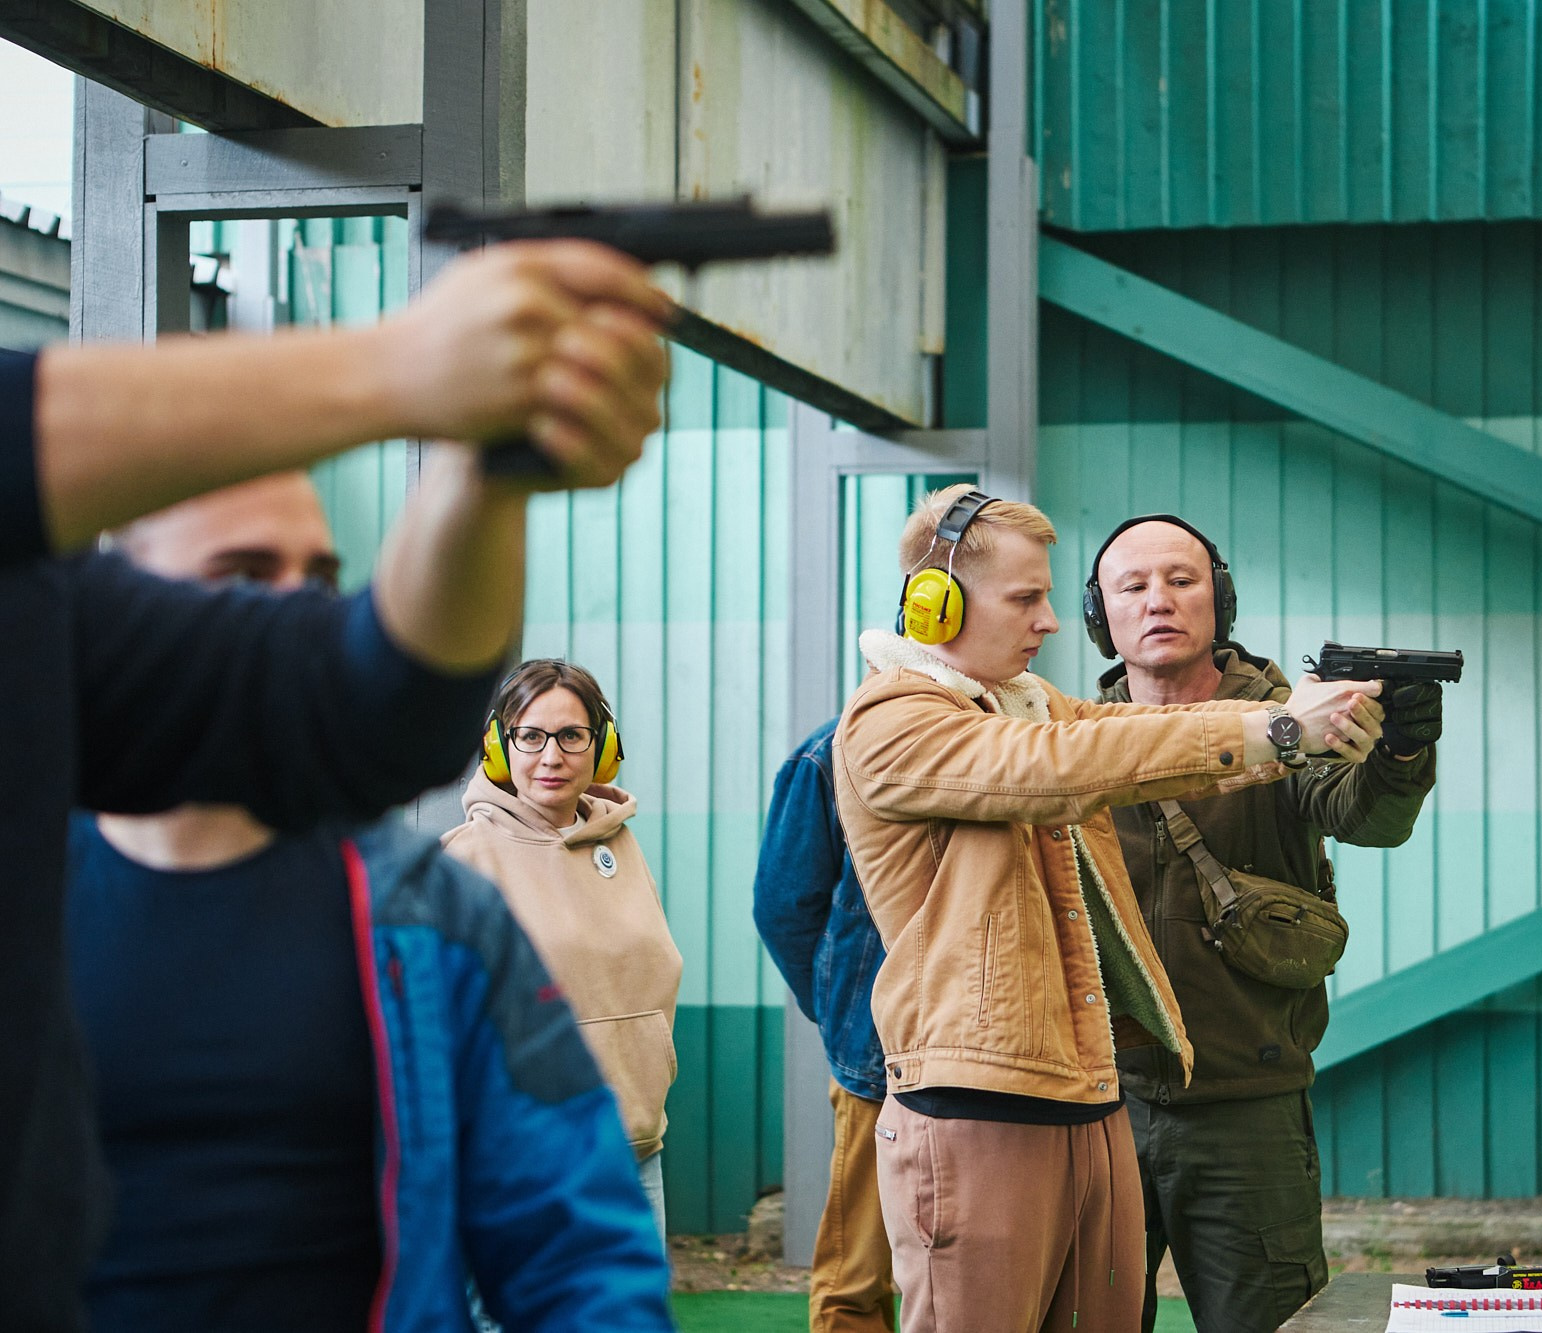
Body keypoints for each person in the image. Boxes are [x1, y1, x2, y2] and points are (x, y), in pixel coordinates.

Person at [0, 238, 670, 1332]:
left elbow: (575, 1254)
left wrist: (479, 456)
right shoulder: (43, 872)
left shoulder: (425, 914)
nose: (288, 618)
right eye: (236, 581)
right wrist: (405, 366)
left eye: (318, 579)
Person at [832, 484, 1384, 1333]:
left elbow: (1139, 738)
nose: (1050, 620)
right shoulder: (894, 720)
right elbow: (1063, 762)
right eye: (1025, 598)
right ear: (936, 606)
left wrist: (1315, 716)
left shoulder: (1030, 704)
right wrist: (1278, 728)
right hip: (977, 1106)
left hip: (1081, 1094)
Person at [1087, 514, 1441, 1333]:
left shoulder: (1290, 718)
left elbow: (1365, 814)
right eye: (1131, 586)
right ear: (1101, 613)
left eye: (1182, 579)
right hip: (1100, 1104)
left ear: (1222, 598)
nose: (1158, 601)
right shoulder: (1072, 738)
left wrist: (1400, 756)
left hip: (1247, 1107)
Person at [442, 659, 684, 1243]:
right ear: (500, 748)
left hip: (634, 1146)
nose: (551, 756)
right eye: (530, 736)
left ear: (602, 750)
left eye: (572, 736)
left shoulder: (621, 845)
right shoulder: (465, 860)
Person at [753, 721, 896, 1333]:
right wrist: (845, 1006)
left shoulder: (1017, 732)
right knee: (857, 1280)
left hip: (989, 1058)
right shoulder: (829, 754)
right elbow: (783, 906)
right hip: (877, 1064)